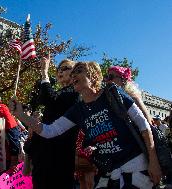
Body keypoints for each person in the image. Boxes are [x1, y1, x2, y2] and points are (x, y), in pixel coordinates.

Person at [10, 61, 162, 189]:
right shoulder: (78, 110)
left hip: (136, 166)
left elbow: (144, 126)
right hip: (110, 171)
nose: (74, 74)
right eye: (73, 72)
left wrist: (153, 161)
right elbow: (51, 131)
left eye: (79, 70)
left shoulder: (113, 94)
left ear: (93, 75)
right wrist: (21, 115)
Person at [24, 55, 79, 189]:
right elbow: (45, 99)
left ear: (75, 73)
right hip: (43, 156)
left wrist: (44, 73)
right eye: (58, 69)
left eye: (65, 68)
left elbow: (49, 99)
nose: (60, 71)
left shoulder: (74, 93)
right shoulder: (60, 92)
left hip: (59, 156)